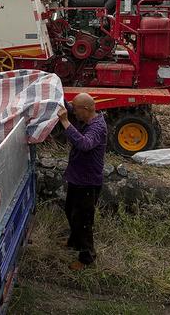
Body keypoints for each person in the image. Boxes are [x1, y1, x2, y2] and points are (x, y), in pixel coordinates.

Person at [56, 92, 107, 270]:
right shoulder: (85, 118)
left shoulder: (97, 127)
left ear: (86, 109)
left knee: (84, 221)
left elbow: (84, 144)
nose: (73, 112)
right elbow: (68, 107)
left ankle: (87, 258)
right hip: (77, 177)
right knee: (70, 211)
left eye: (75, 108)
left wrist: (65, 122)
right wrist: (55, 89)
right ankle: (73, 242)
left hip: (88, 181)